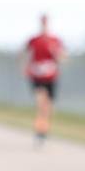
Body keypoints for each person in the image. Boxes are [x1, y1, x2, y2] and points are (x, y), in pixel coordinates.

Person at [21, 14, 66, 147]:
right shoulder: (34, 40)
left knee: (49, 108)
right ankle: (39, 132)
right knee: (41, 104)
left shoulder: (55, 40)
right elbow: (25, 54)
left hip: (51, 77)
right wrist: (25, 67)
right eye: (43, 22)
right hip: (37, 77)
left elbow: (62, 58)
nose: (44, 24)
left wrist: (56, 55)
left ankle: (44, 130)